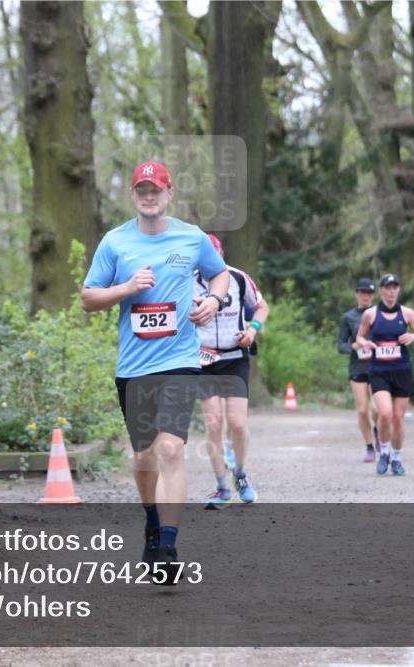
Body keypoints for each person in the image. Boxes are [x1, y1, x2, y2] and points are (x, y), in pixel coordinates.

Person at [81, 160, 229, 579]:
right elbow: (88, 299)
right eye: (142, 189)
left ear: (169, 193)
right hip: (134, 366)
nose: (149, 196)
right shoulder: (115, 243)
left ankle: (167, 547)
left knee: (171, 449)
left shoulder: (192, 237)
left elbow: (219, 276)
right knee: (145, 454)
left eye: (156, 189)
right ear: (134, 195)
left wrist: (214, 301)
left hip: (180, 360)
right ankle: (150, 519)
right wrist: (127, 289)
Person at [194, 234, 269, 508]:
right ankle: (221, 487)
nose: (209, 263)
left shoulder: (238, 278)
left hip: (235, 357)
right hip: (202, 361)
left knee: (237, 423)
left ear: (221, 255)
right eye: (203, 258)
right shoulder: (186, 282)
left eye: (213, 256)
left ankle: (240, 473)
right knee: (214, 422)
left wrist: (252, 330)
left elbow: (261, 307)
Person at [356, 274, 414, 476]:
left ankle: (397, 458)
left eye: (394, 287)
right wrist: (365, 343)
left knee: (398, 418)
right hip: (379, 372)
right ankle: (384, 453)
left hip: (402, 371)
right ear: (381, 291)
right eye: (387, 288)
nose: (391, 291)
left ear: (398, 290)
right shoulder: (370, 315)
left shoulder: (407, 314)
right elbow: (360, 337)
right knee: (385, 413)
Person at [337, 278, 378, 462]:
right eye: (362, 293)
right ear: (357, 295)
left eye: (369, 293)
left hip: (379, 368)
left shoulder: (380, 315)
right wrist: (353, 347)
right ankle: (369, 446)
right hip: (358, 368)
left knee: (377, 409)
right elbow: (340, 345)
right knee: (362, 410)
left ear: (373, 296)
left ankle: (377, 430)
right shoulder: (349, 317)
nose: (365, 296)